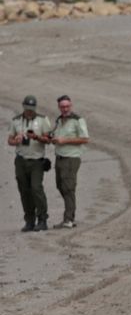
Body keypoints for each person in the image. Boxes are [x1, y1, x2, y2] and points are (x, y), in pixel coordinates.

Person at [9, 95, 51, 232]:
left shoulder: (43, 120)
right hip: (21, 160)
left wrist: (36, 137)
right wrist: (16, 140)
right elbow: (9, 140)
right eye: (27, 108)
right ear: (23, 107)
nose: (29, 111)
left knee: (36, 188)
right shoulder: (16, 120)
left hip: (37, 160)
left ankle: (42, 219)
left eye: (31, 108)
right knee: (24, 191)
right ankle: (29, 220)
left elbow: (49, 139)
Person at [49, 94, 88, 229]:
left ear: (71, 105)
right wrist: (53, 138)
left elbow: (84, 139)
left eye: (67, 106)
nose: (65, 109)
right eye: (62, 106)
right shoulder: (59, 120)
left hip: (71, 158)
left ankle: (69, 219)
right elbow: (55, 136)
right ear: (59, 107)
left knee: (68, 188)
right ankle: (69, 216)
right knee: (60, 186)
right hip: (59, 157)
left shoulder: (78, 120)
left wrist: (64, 141)